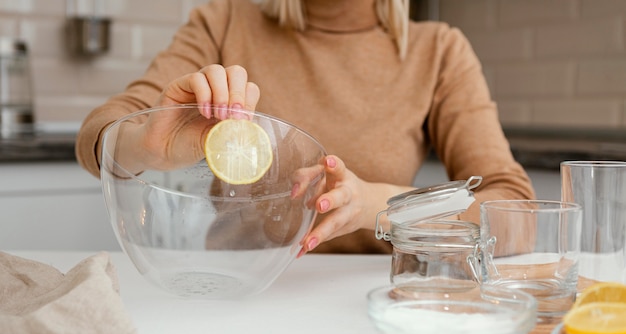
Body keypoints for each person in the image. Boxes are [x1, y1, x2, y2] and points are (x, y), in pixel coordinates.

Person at [76, 0, 536, 256]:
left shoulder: (437, 51)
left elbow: (517, 210)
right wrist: (146, 145)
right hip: (236, 299)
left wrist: (381, 206)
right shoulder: (224, 22)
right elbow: (100, 133)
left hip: (369, 306)